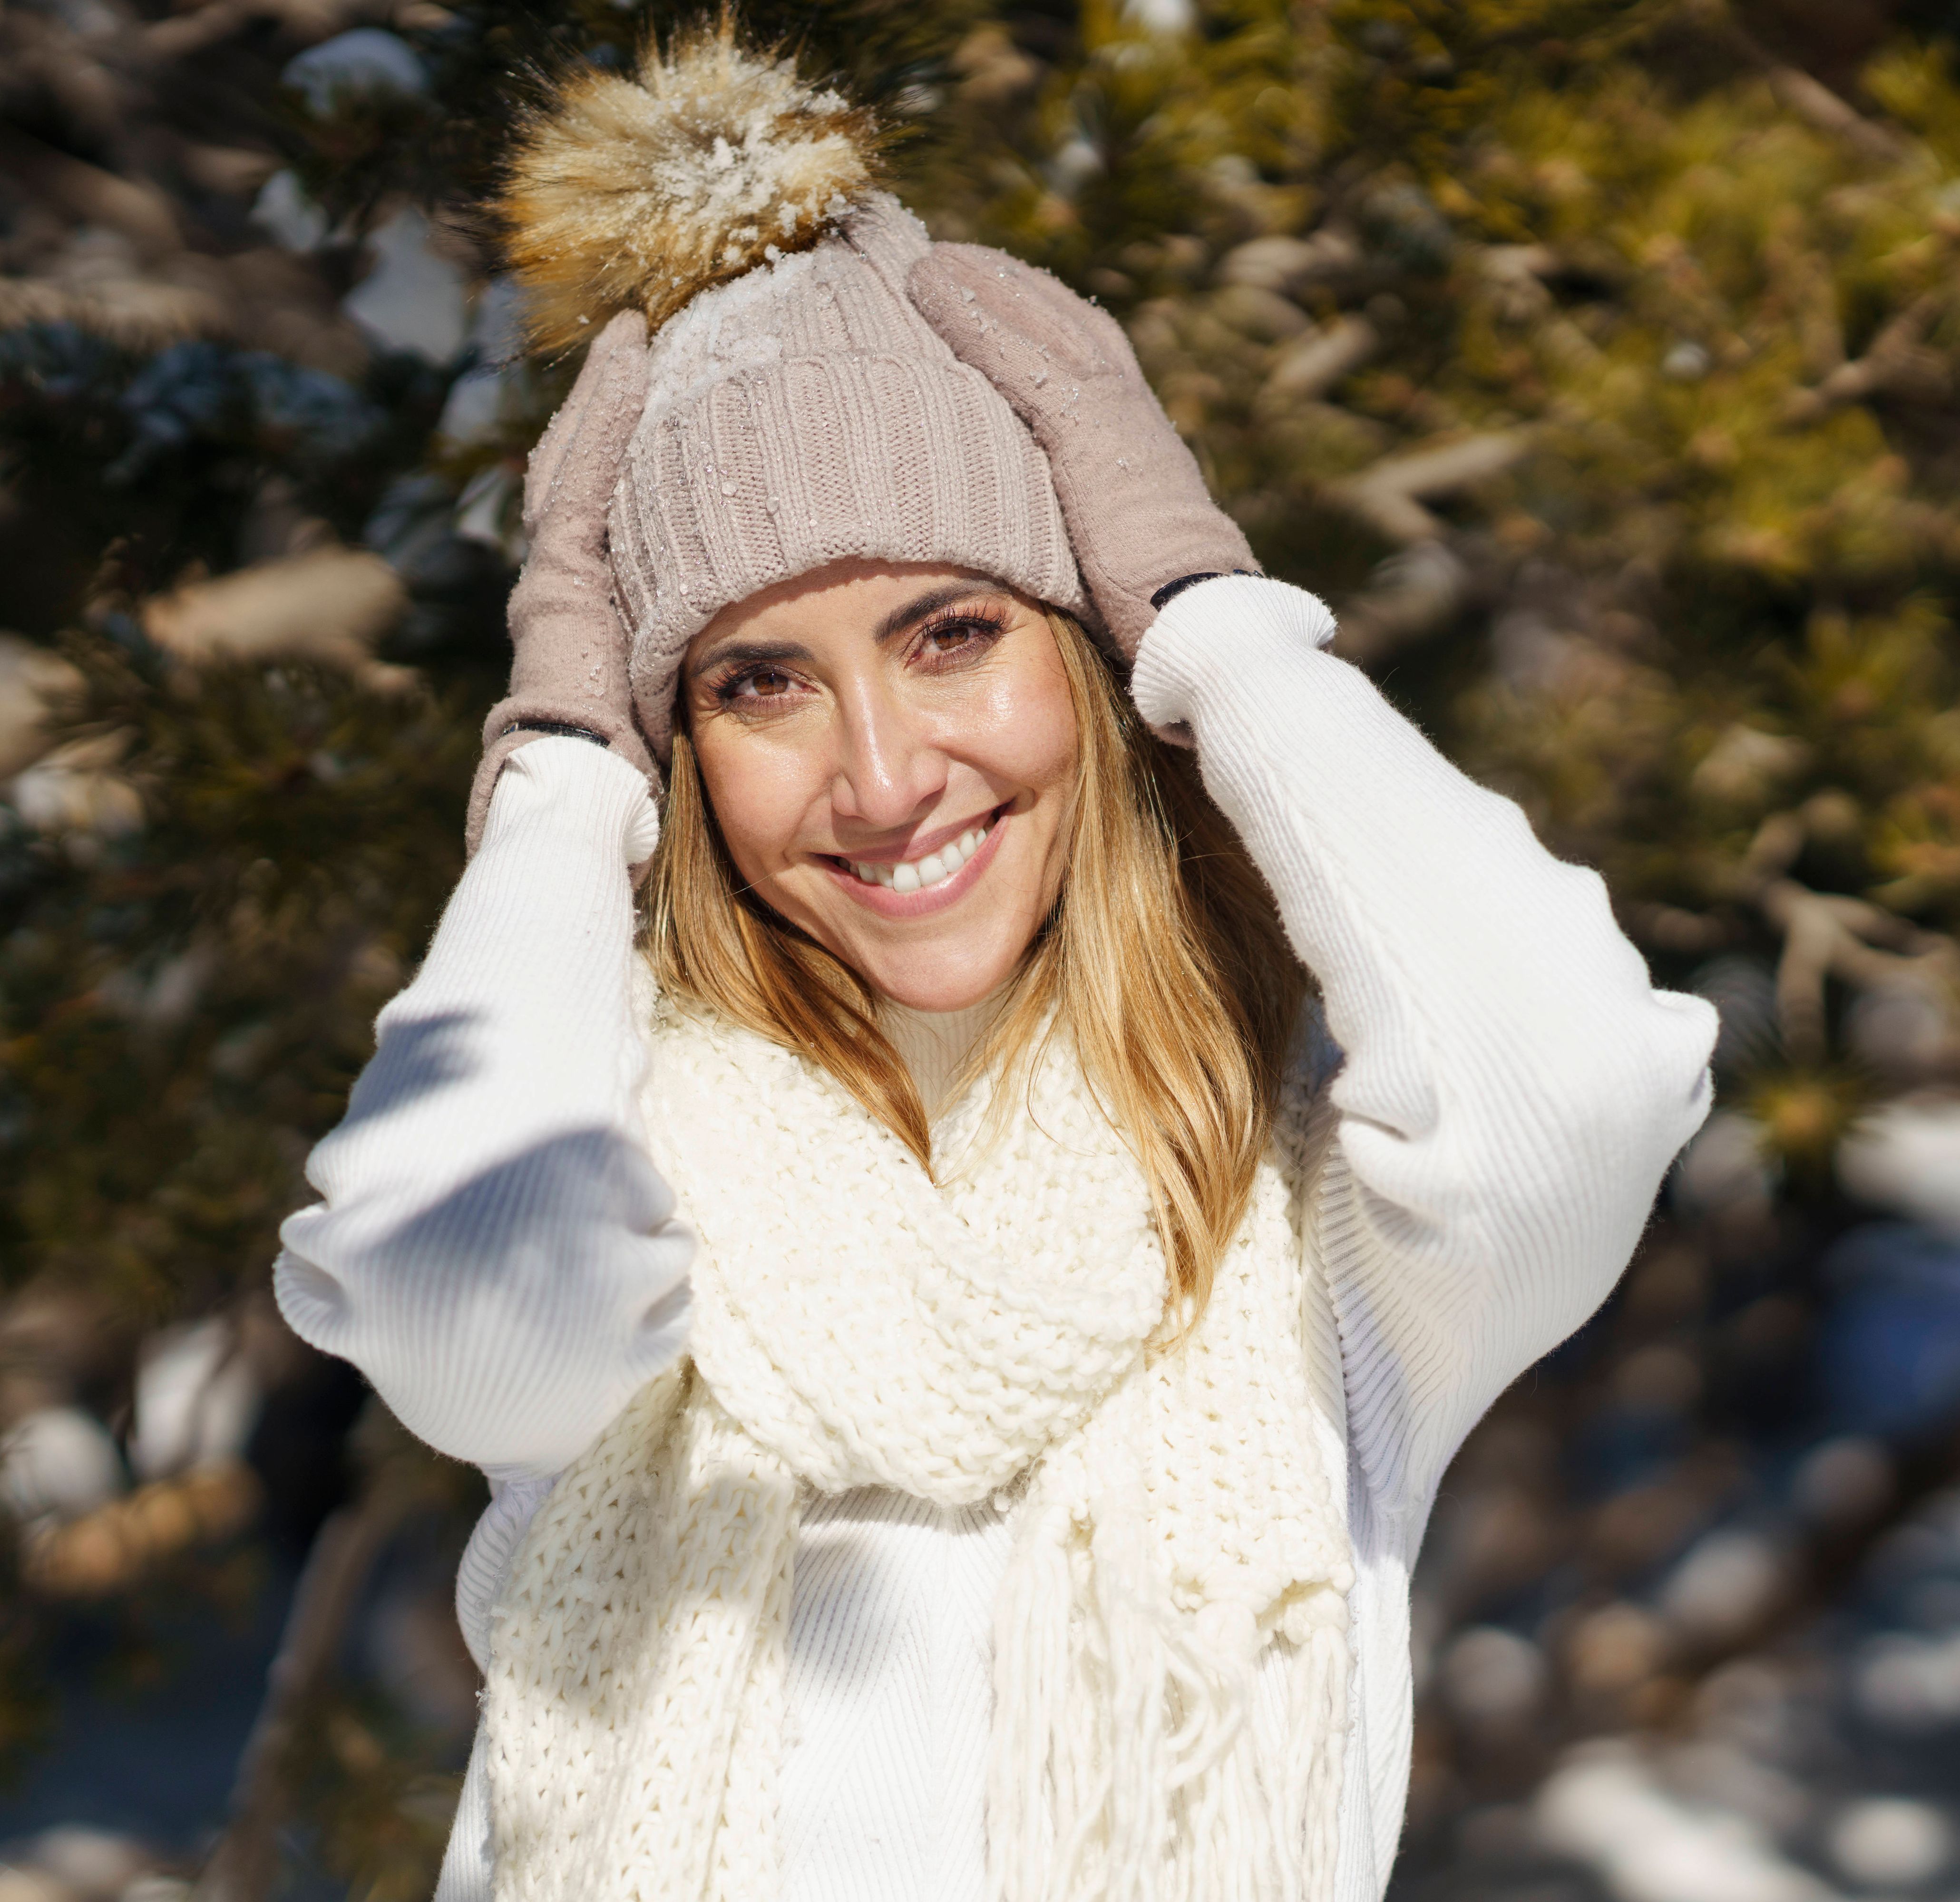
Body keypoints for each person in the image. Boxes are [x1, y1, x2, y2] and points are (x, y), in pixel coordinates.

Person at [273, 30, 1717, 1902]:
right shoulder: (631, 1193)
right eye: (758, 683)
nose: (882, 776)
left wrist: (1209, 616)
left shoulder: (1315, 1240)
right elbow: (458, 1275)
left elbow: (1574, 1087)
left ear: (1084, 656)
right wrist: (553, 786)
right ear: (678, 753)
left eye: (954, 631)